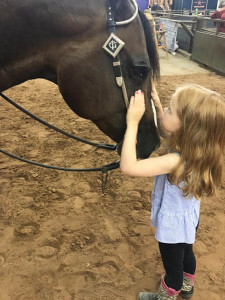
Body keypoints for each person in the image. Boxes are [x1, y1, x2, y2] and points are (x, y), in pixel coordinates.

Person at [120, 82, 225, 300]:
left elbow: (129, 167)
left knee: (172, 268)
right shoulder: (197, 150)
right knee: (187, 252)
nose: (165, 111)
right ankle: (187, 285)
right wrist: (158, 105)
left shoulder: (174, 161)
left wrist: (132, 123)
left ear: (186, 126)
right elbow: (166, 130)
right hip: (188, 219)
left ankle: (167, 294)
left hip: (172, 226)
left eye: (170, 110)